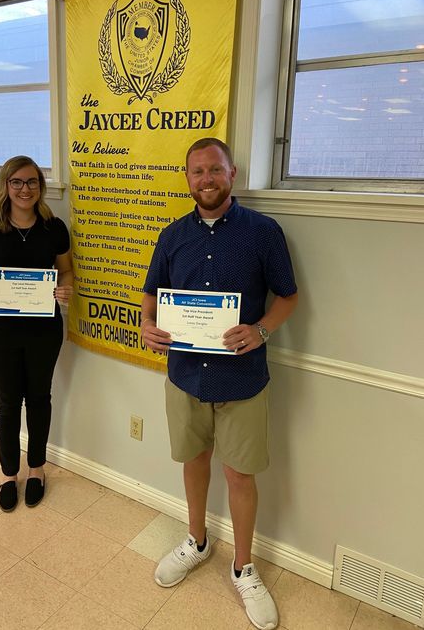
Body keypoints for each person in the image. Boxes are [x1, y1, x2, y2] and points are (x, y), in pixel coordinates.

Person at [141, 138, 298, 630]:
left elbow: (288, 298)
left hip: (242, 380)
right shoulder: (172, 236)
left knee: (239, 475)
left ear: (232, 173)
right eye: (197, 172)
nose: (206, 179)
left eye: (215, 170)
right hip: (185, 376)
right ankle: (197, 541)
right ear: (187, 179)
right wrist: (147, 326)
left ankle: (244, 567)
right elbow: (150, 296)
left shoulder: (263, 232)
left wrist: (261, 329)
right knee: (194, 462)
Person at [0, 156, 73, 512]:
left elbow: (66, 272)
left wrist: (65, 290)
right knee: (7, 403)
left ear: (40, 186)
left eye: (32, 182)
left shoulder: (54, 228)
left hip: (44, 328)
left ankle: (36, 468)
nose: (25, 189)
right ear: (5, 186)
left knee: (39, 398)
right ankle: (9, 474)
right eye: (17, 182)